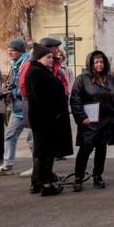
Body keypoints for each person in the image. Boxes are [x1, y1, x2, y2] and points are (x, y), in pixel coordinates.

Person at [70, 50, 114, 190]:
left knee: (101, 150)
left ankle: (97, 176)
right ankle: (78, 178)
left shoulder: (110, 79)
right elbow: (75, 100)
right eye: (96, 62)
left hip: (107, 122)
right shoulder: (82, 79)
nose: (99, 65)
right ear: (91, 64)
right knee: (85, 150)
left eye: (101, 62)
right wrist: (82, 117)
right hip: (90, 122)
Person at [25, 43, 72, 196]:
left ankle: (40, 182)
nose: (52, 60)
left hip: (46, 119)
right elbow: (41, 99)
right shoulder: (36, 73)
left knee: (44, 152)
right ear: (39, 58)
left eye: (52, 57)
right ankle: (45, 184)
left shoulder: (40, 71)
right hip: (44, 120)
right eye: (48, 57)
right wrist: (54, 113)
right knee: (44, 153)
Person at [0, 39, 28, 176]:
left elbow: (26, 88)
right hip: (17, 109)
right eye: (9, 49)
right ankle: (7, 166)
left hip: (27, 108)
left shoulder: (26, 64)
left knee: (33, 139)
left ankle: (38, 166)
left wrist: (12, 92)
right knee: (10, 135)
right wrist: (7, 90)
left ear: (21, 51)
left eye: (13, 50)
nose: (10, 52)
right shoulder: (15, 64)